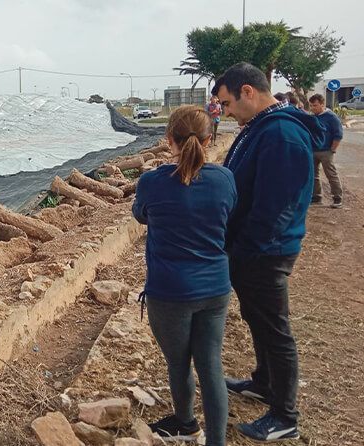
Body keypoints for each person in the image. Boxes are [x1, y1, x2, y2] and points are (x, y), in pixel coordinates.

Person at [212, 62, 324, 442]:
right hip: (252, 248)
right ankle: (264, 382)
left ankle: (285, 415)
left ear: (247, 91)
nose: (225, 113)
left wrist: (243, 250)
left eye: (227, 103)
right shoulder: (261, 127)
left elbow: (278, 206)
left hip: (265, 250)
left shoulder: (282, 134)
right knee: (257, 318)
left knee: (275, 328)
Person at [132, 105, 237, 446]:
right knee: (211, 367)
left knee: (178, 364)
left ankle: (185, 422)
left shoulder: (151, 182)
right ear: (209, 139)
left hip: (170, 291)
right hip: (216, 288)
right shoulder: (224, 179)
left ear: (168, 140)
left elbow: (141, 216)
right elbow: (228, 215)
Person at [308, 93, 344, 207]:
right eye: (311, 106)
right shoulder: (314, 117)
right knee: (314, 175)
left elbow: (338, 135)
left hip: (326, 151)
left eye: (315, 105)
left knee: (331, 175)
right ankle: (316, 197)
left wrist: (332, 150)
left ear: (322, 104)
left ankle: (337, 198)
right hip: (314, 150)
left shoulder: (332, 117)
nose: (313, 108)